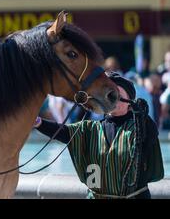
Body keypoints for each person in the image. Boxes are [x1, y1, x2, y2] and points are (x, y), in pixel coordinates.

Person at [33, 72, 164, 199]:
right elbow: (63, 132)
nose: (111, 96)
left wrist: (142, 116)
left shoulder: (140, 126)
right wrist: (37, 122)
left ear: (129, 100)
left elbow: (150, 136)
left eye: (117, 93)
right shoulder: (91, 129)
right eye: (109, 93)